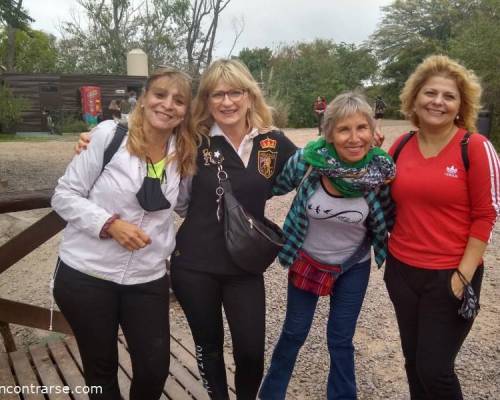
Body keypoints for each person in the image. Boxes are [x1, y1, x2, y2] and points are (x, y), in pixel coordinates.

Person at [51, 67, 198, 400]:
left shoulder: (184, 153)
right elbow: (63, 195)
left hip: (146, 278)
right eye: (160, 94)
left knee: (154, 368)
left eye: (179, 100)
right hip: (87, 273)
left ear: (186, 110)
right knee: (101, 370)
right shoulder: (109, 136)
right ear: (143, 98)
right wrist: (109, 224)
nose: (168, 105)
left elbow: (188, 206)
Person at [170, 59, 298, 400]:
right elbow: (178, 202)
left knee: (251, 351)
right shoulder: (192, 141)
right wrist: (96, 136)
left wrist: (365, 147)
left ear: (250, 95)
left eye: (235, 92)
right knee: (209, 346)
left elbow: (315, 167)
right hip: (195, 265)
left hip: (245, 265)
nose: (227, 102)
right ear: (206, 100)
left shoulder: (273, 142)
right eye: (217, 94)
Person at [259, 92, 396, 400]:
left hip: (352, 266)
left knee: (340, 339)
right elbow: (270, 186)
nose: (353, 137)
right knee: (294, 333)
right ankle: (270, 395)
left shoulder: (379, 172)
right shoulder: (310, 161)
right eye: (344, 129)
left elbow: (392, 218)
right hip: (306, 260)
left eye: (361, 128)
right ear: (329, 132)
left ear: (372, 132)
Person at [385, 54, 500, 400]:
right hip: (402, 271)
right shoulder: (401, 145)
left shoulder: (475, 148)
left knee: (435, 370)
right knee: (412, 362)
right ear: (415, 98)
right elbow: (374, 189)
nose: (437, 101)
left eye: (448, 96)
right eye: (430, 93)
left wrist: (461, 278)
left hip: (450, 274)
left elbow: (487, 215)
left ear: (461, 105)